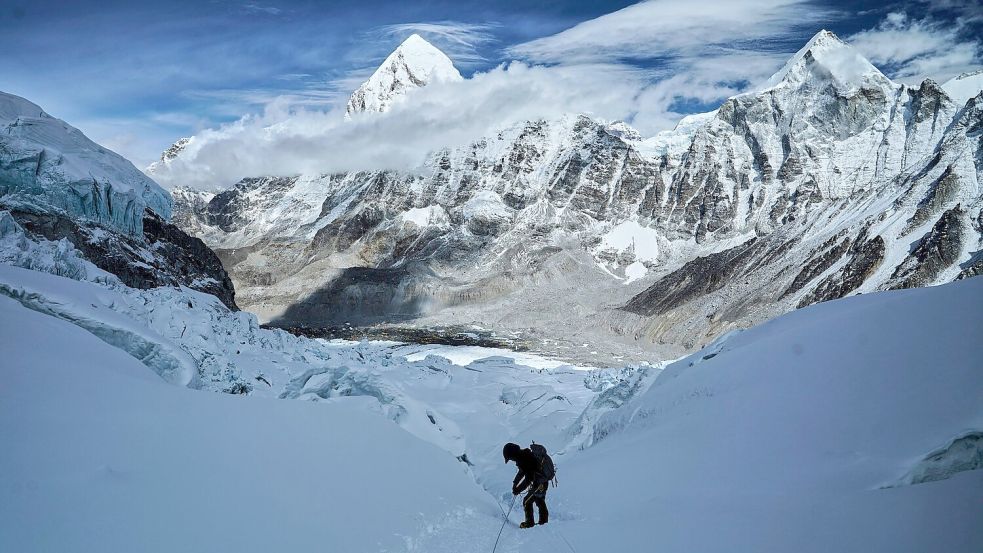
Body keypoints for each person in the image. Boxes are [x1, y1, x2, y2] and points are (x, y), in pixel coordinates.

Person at [503, 442, 548, 528]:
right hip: (542, 482)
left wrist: (518, 489)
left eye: (510, 458)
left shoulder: (524, 459)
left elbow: (528, 479)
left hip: (540, 483)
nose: (512, 460)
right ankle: (544, 523)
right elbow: (522, 472)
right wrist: (515, 483)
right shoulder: (524, 456)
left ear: (513, 454)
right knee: (539, 500)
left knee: (527, 501)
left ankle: (530, 523)